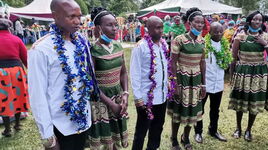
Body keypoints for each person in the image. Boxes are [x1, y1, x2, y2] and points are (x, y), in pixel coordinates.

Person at [28, 0, 98, 149]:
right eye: (71, 16)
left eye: (79, 16)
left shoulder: (81, 42)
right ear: (55, 16)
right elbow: (37, 95)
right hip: (59, 126)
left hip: (83, 121)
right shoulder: (41, 49)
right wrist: (48, 136)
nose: (78, 21)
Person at [229, 11, 268, 142]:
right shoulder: (240, 36)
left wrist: (265, 44)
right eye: (255, 19)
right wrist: (232, 76)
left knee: (254, 101)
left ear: (262, 22)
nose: (257, 22)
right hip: (243, 71)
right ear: (249, 20)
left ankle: (248, 130)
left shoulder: (266, 37)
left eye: (260, 20)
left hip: (259, 73)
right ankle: (238, 128)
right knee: (240, 100)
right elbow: (233, 58)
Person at [88, 7, 129, 150]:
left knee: (115, 135)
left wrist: (125, 94)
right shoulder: (92, 50)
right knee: (105, 140)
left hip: (117, 95)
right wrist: (111, 104)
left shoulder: (118, 46)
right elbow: (91, 83)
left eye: (115, 24)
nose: (114, 28)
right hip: (101, 99)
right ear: (99, 28)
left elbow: (123, 73)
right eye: (109, 25)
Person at [131, 16, 172, 150]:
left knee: (157, 128)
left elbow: (165, 67)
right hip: (146, 98)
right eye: (157, 27)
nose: (161, 30)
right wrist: (138, 98)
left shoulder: (164, 44)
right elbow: (135, 74)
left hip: (161, 96)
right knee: (142, 131)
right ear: (147, 29)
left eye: (162, 27)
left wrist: (168, 84)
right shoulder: (140, 47)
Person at [168, 7, 206, 150]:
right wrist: (174, 83)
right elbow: (172, 62)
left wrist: (204, 84)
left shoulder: (202, 41)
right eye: (197, 22)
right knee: (179, 110)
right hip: (182, 77)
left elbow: (202, 62)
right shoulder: (179, 40)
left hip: (195, 79)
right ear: (189, 23)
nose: (200, 25)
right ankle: (174, 138)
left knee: (193, 109)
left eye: (202, 23)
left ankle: (186, 137)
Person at [194, 22, 232, 143]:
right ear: (210, 32)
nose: (219, 34)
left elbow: (226, 63)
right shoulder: (204, 44)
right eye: (216, 31)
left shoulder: (225, 45)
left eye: (221, 31)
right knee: (200, 109)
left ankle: (213, 130)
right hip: (205, 83)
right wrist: (201, 83)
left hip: (218, 83)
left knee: (215, 109)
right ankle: (198, 132)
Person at [0, 13, 29, 137]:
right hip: (17, 72)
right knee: (18, 98)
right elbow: (25, 58)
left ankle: (7, 129)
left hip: (1, 72)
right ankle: (17, 124)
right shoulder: (16, 39)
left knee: (3, 100)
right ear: (9, 28)